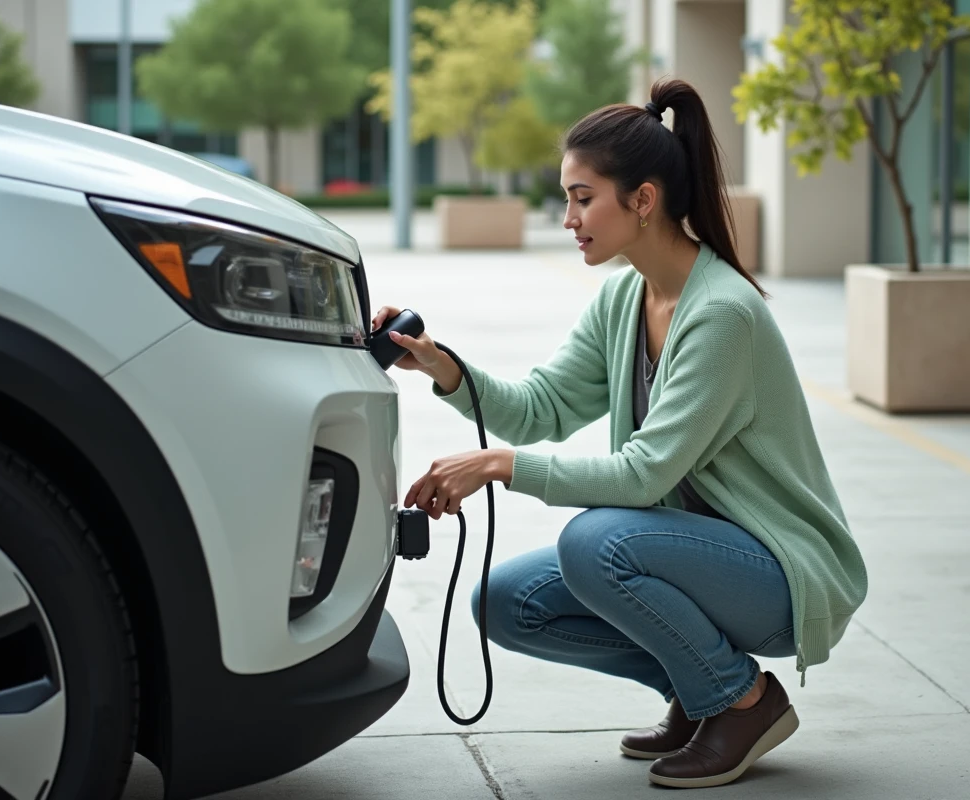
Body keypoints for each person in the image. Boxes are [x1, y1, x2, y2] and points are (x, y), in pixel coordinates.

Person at [371, 77, 868, 789]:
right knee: (507, 603)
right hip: (697, 558)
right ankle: (698, 692)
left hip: (781, 577)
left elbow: (644, 475)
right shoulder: (625, 297)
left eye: (582, 198)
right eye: (567, 198)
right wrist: (442, 367)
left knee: (595, 544)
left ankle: (742, 701)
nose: (569, 217)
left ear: (643, 200)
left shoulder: (721, 314)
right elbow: (542, 405)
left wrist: (499, 466)